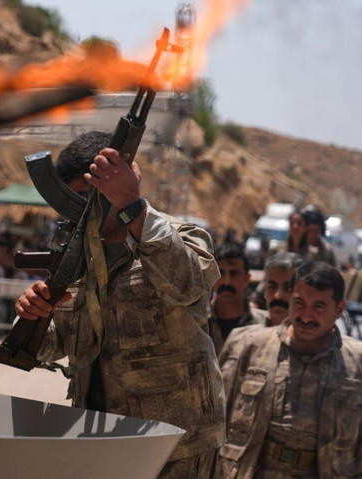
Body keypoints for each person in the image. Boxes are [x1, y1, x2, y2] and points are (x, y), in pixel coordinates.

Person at [15, 131, 224, 478]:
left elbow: (188, 287)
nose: (87, 208)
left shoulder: (179, 236)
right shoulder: (74, 255)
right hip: (97, 438)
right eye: (76, 198)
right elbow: (56, 344)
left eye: (98, 194)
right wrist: (33, 314)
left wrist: (133, 207)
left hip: (174, 446)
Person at [218, 261, 362, 478]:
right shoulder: (248, 345)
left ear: (339, 309)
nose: (306, 316)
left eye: (318, 307)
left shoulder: (359, 361)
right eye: (299, 303)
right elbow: (216, 425)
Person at [208, 242, 268, 354]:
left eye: (234, 273)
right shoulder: (199, 322)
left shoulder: (264, 323)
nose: (226, 281)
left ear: (247, 279)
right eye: (220, 273)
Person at [259, 252, 304, 327]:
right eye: (272, 286)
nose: (278, 296)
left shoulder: (322, 337)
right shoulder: (245, 336)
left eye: (288, 288)